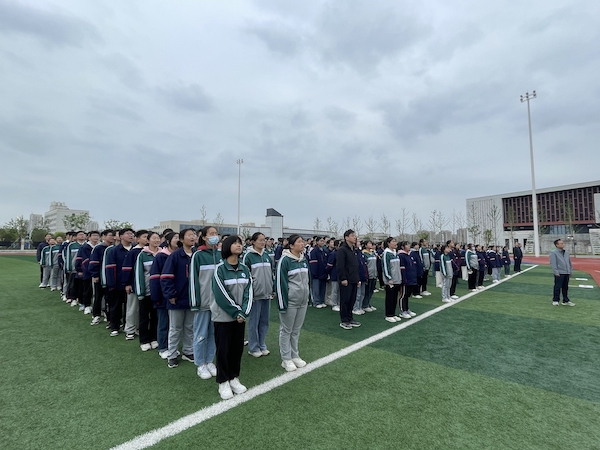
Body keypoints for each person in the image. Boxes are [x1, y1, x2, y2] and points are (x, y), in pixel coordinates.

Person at [212, 235, 253, 400]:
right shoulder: (219, 269)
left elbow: (249, 292)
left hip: (240, 318)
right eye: (235, 243)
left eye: (239, 243)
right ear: (227, 247)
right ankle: (223, 381)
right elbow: (221, 294)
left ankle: (234, 377)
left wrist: (244, 312)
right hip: (223, 318)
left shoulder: (245, 269)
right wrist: (236, 312)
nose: (238, 245)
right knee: (223, 350)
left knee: (237, 349)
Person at [161, 228, 197, 368]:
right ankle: (172, 354)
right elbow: (166, 277)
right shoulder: (175, 256)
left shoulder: (196, 255)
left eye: (194, 235)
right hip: (177, 297)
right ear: (182, 240)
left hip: (192, 298)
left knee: (190, 327)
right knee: (175, 328)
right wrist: (171, 295)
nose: (192, 237)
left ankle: (188, 351)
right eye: (189, 235)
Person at [189, 226, 221, 379]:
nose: (215, 236)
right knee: (200, 333)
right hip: (203, 302)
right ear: (204, 237)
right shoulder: (198, 256)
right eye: (212, 234)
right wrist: (195, 302)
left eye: (216, 233)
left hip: (218, 304)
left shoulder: (221, 255)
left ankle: (209, 361)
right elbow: (193, 281)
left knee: (214, 333)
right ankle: (200, 364)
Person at [276, 234, 310, 372]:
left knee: (296, 330)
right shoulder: (284, 261)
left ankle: (294, 355)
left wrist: (308, 296)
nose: (303, 244)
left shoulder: (303, 260)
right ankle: (286, 358)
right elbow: (279, 283)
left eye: (303, 242)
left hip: (303, 301)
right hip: (290, 302)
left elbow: (308, 280)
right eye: (299, 242)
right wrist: (282, 303)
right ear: (291, 245)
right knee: (286, 330)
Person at [242, 232, 274, 358]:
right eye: (260, 240)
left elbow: (271, 273)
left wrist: (272, 289)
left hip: (266, 294)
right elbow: (245, 275)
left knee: (264, 321)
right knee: (254, 322)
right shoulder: (248, 256)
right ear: (253, 242)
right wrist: (249, 293)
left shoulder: (266, 255)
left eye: (264, 240)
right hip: (255, 295)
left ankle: (262, 344)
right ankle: (253, 347)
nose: (262, 242)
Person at [149, 231, 179, 359]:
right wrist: (156, 296)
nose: (178, 240)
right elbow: (155, 277)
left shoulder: (181, 255)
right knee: (164, 322)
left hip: (178, 295)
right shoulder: (161, 256)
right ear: (168, 241)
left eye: (179, 238)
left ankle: (173, 347)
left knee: (175, 324)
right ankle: (163, 347)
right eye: (176, 238)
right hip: (163, 295)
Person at [135, 231, 160, 352]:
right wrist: (140, 292)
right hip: (146, 291)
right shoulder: (142, 255)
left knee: (156, 316)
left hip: (159, 292)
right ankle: (144, 340)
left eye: (158, 238)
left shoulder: (162, 254)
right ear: (148, 241)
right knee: (144, 316)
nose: (156, 240)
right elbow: (139, 274)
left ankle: (154, 338)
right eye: (153, 238)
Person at [105, 228, 134, 336]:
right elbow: (110, 268)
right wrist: (111, 284)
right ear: (121, 236)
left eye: (132, 234)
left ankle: (129, 326)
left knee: (130, 307)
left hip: (131, 284)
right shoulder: (114, 251)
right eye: (128, 234)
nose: (130, 236)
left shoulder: (135, 250)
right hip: (117, 284)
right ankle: (115, 326)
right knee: (115, 306)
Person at [122, 229, 149, 340]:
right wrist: (127, 283)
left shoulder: (151, 251)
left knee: (142, 310)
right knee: (132, 308)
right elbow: (127, 269)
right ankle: (129, 329)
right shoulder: (134, 252)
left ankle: (138, 328)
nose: (147, 239)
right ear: (137, 239)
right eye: (144, 237)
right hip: (134, 284)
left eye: (148, 237)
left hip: (146, 286)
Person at [336, 229, 361, 330]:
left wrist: (358, 279)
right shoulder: (342, 250)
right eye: (352, 235)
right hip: (346, 280)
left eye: (354, 235)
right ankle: (344, 320)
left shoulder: (353, 250)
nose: (354, 237)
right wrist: (343, 278)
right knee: (345, 300)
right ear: (346, 238)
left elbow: (355, 266)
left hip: (354, 279)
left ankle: (350, 318)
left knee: (352, 300)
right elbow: (340, 265)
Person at [382, 237, 402, 323]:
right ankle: (388, 315)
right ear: (388, 243)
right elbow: (385, 267)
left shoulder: (395, 253)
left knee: (394, 297)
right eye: (393, 241)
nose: (395, 243)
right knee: (390, 297)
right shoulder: (386, 253)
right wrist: (389, 278)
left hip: (397, 279)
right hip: (391, 280)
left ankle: (393, 314)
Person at [549, 239, 575, 306]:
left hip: (566, 272)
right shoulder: (553, 252)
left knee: (565, 287)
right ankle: (555, 300)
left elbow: (569, 262)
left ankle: (565, 300)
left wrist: (570, 270)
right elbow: (553, 263)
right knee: (557, 286)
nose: (563, 244)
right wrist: (556, 272)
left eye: (563, 243)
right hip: (559, 272)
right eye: (561, 243)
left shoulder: (566, 252)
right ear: (557, 245)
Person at [397, 241, 417, 318]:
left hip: (411, 278)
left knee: (407, 295)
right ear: (402, 247)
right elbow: (402, 269)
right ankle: (402, 311)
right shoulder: (401, 256)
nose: (409, 246)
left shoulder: (409, 255)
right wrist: (403, 279)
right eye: (407, 245)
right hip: (405, 279)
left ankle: (407, 309)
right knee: (403, 295)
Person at [308, 236, 328, 308]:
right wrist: (314, 273)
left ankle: (322, 301)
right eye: (321, 241)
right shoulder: (314, 251)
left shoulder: (324, 251)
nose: (322, 242)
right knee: (316, 288)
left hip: (323, 273)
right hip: (316, 273)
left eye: (323, 241)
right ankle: (316, 302)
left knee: (323, 288)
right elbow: (313, 263)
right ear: (317, 242)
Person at [361, 240, 378, 312]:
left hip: (374, 274)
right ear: (365, 245)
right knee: (366, 290)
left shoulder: (373, 253)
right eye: (369, 243)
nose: (371, 245)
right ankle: (364, 305)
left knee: (371, 290)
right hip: (368, 274)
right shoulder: (364, 253)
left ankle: (368, 303)